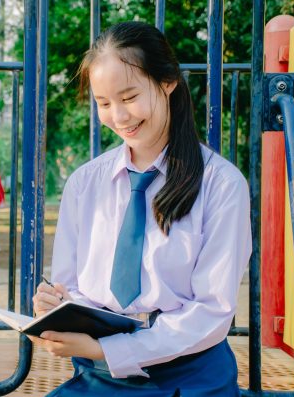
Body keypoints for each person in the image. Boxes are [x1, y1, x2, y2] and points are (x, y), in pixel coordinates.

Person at [30, 22, 252, 396]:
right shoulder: (85, 184)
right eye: (103, 103)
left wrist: (107, 348)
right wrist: (57, 306)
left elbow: (212, 312)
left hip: (190, 375)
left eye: (129, 97)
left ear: (168, 82)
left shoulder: (222, 184)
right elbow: (75, 288)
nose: (118, 116)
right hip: (101, 375)